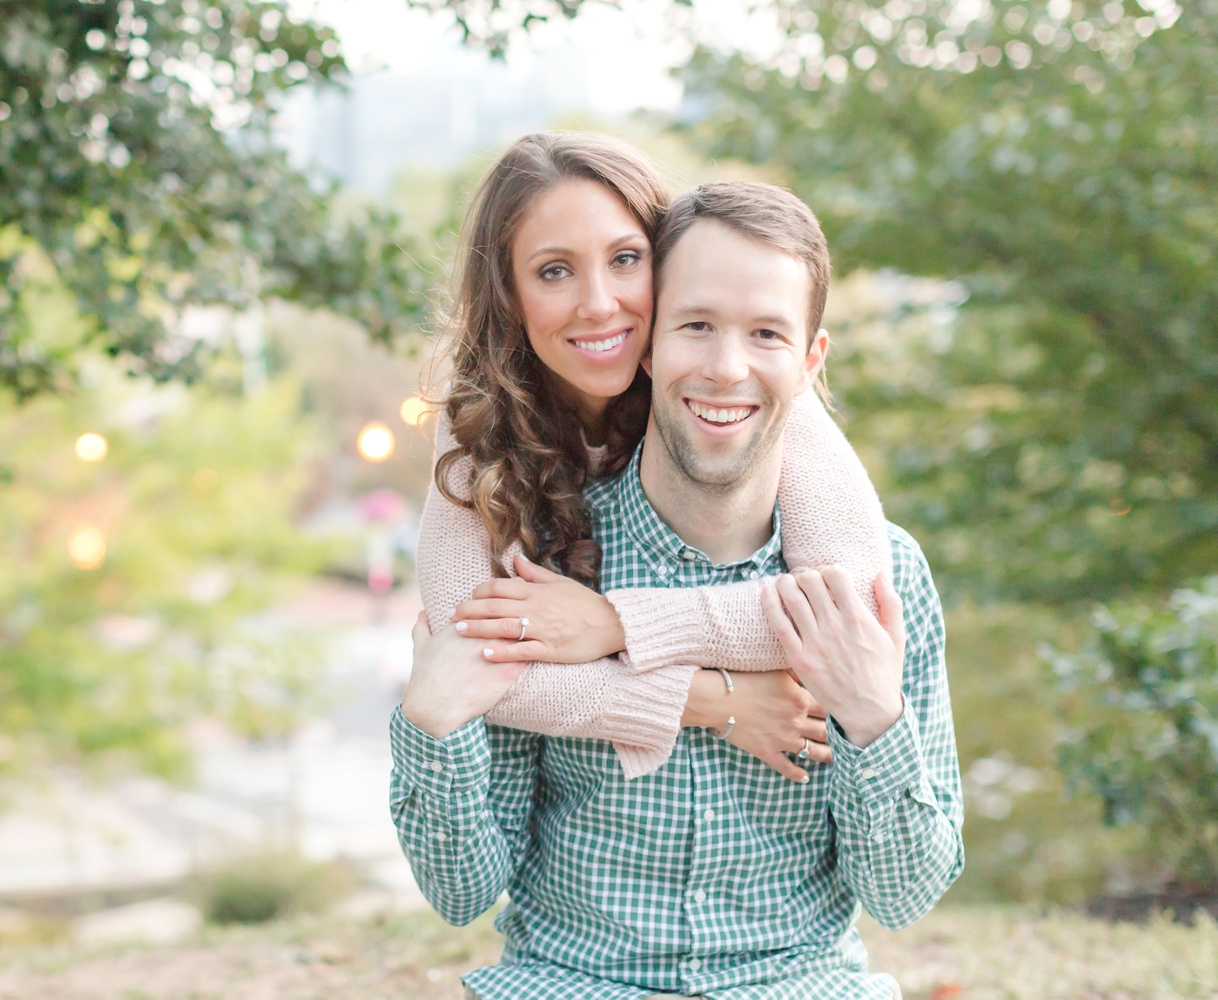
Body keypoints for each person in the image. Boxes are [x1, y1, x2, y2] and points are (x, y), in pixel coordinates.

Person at [391, 178, 964, 998]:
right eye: (696, 326)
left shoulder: (878, 575)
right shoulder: (539, 564)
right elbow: (460, 895)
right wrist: (430, 726)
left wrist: (876, 719)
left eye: (767, 333)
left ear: (810, 362)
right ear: (648, 343)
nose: (727, 368)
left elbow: (906, 895)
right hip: (572, 982)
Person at [409, 132, 893, 784]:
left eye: (626, 258)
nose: (600, 303)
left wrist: (614, 624)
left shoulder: (732, 382)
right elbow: (466, 663)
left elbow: (846, 611)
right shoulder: (477, 423)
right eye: (555, 270)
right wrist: (706, 700)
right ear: (509, 295)